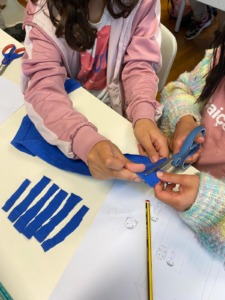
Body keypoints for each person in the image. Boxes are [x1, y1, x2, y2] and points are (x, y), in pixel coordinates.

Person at [21, 0, 169, 182]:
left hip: (120, 116)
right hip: (68, 119)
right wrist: (85, 141)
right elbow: (42, 89)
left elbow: (140, 64)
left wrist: (144, 113)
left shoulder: (143, 4)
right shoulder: (44, 10)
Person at [154, 28, 225, 260]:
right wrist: (184, 118)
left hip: (202, 238)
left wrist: (205, 201)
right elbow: (180, 87)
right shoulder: (219, 57)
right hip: (169, 182)